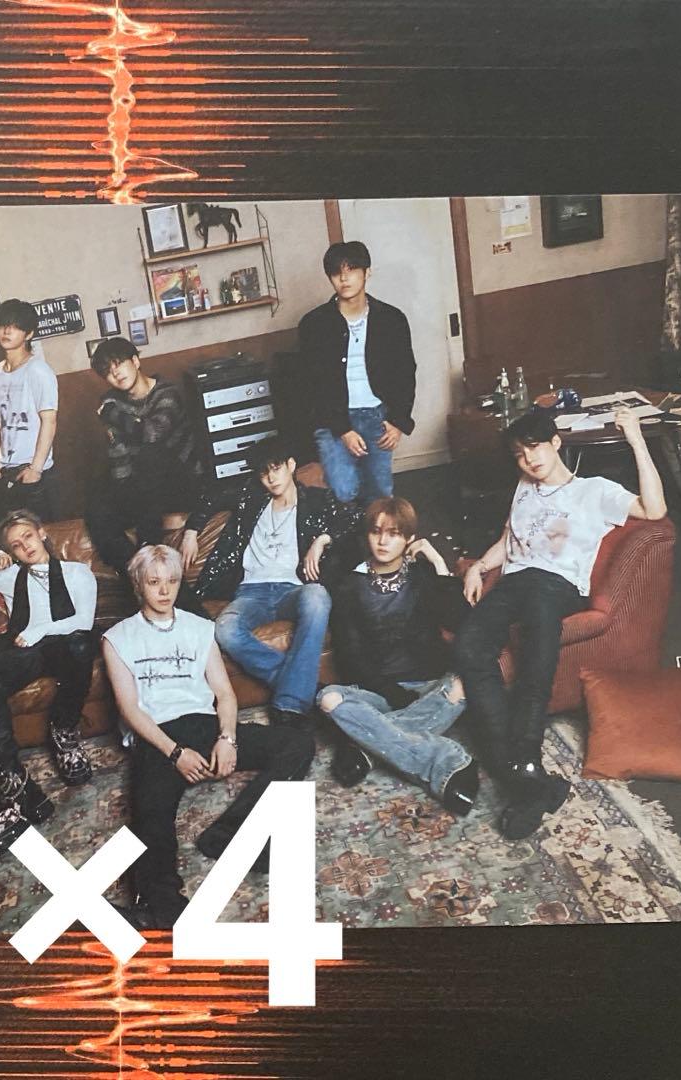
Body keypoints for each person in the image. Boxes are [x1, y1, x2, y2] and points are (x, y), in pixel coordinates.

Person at [454, 407, 667, 839]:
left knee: (536, 655)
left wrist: (636, 438)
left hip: (557, 585)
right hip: (515, 581)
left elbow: (655, 509)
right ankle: (527, 778)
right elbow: (508, 540)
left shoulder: (594, 491)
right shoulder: (523, 487)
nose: (529, 459)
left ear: (555, 443)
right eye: (519, 453)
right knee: (468, 646)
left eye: (535, 447)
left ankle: (525, 757)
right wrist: (479, 566)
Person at [102, 545, 314, 929]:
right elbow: (130, 710)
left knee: (296, 743)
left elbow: (225, 694)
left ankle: (230, 833)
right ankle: (162, 905)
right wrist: (174, 753)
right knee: (150, 810)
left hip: (203, 724)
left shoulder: (199, 628)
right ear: (138, 585)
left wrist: (227, 738)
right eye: (154, 582)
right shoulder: (117, 638)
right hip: (158, 736)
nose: (164, 591)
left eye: (172, 581)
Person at [180, 436, 360, 730]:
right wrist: (191, 531)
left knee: (317, 596)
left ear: (291, 465)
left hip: (293, 590)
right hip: (252, 593)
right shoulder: (250, 498)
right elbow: (210, 496)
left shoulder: (316, 500)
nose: (271, 478)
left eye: (276, 469)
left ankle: (290, 700)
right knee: (224, 628)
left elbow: (355, 514)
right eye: (264, 473)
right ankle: (301, 691)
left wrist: (322, 540)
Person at [317, 497, 478, 815]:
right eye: (376, 532)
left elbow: (463, 623)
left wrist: (439, 564)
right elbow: (350, 656)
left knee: (464, 682)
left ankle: (365, 748)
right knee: (328, 698)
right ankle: (446, 761)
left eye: (393, 533)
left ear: (408, 539)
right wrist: (393, 694)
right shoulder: (349, 586)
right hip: (378, 693)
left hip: (430, 684)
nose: (382, 541)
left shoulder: (423, 576)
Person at [0, 509, 98, 852]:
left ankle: (64, 733)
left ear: (42, 533)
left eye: (28, 537)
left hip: (65, 644)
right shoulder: (9, 576)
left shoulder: (78, 572)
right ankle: (17, 786)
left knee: (81, 645)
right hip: (26, 650)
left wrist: (41, 630)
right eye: (15, 545)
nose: (25, 547)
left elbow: (84, 620)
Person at [298, 241, 416, 506]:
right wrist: (343, 429)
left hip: (377, 415)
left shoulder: (392, 319)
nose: (344, 278)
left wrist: (398, 421)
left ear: (367, 272)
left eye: (351, 269)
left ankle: (375, 533)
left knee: (380, 493)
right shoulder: (314, 324)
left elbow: (405, 373)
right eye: (336, 272)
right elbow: (311, 385)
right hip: (333, 419)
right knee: (343, 490)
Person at [85, 337, 205, 577]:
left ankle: (148, 544)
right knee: (96, 507)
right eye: (107, 371)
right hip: (143, 487)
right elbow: (118, 453)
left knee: (150, 454)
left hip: (181, 481)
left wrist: (114, 416)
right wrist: (124, 495)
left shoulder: (166, 393)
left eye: (119, 364)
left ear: (136, 361)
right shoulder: (111, 402)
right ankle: (136, 570)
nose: (115, 374)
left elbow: (151, 434)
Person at [0, 298, 60, 520]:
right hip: (4, 470)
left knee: (39, 532)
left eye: (15, 326)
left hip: (32, 469)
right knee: (9, 531)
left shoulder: (38, 370)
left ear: (28, 334)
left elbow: (49, 421)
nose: (7, 331)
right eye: (3, 325)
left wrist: (36, 469)